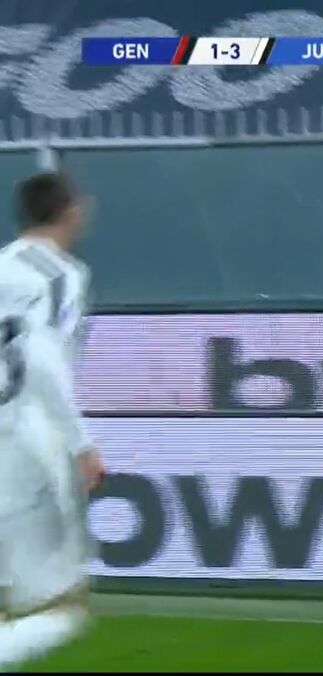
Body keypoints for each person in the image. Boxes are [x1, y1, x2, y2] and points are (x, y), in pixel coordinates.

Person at [0, 171, 103, 669]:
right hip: (27, 444)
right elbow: (43, 361)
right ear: (70, 211)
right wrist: (81, 444)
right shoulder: (62, 275)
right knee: (64, 607)